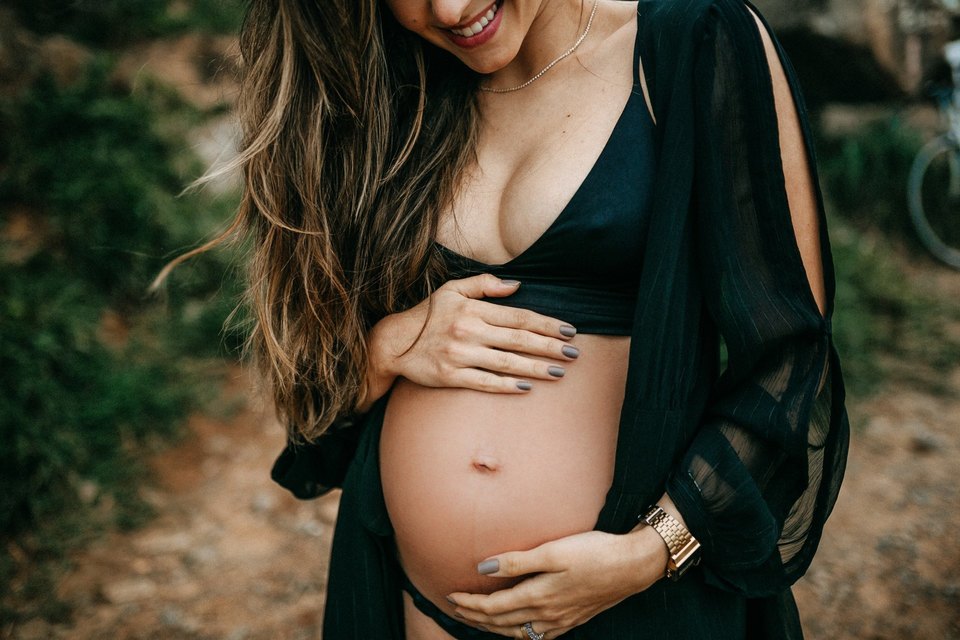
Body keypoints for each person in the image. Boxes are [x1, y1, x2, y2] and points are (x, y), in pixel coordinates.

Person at [223, 0, 852, 638]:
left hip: (630, 606)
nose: (450, 9)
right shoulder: (392, 82)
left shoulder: (693, 39)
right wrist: (388, 347)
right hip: (420, 609)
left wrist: (651, 552)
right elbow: (314, 396)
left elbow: (787, 355)